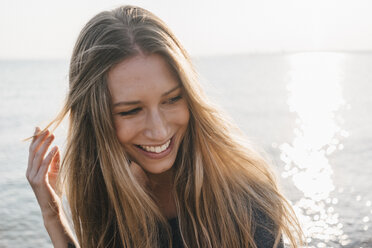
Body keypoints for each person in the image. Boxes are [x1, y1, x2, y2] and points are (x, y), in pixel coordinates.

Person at [26, 5, 303, 248]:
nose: (158, 131)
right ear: (95, 119)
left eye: (171, 100)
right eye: (131, 110)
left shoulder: (243, 203)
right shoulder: (113, 192)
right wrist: (52, 215)